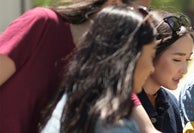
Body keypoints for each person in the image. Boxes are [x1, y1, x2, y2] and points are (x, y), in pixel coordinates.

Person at [0, 0, 156, 132]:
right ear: (113, 4)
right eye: (142, 11)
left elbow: (148, 129)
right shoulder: (42, 22)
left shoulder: (107, 67)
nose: (146, 21)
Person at [136, 10, 194, 133]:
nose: (184, 70)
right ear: (151, 54)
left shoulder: (171, 103)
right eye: (177, 59)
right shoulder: (123, 104)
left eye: (188, 59)